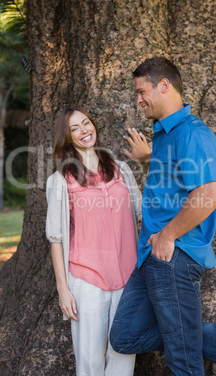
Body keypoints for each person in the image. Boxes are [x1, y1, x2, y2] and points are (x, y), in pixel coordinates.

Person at [110, 57, 216, 376]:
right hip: (149, 255)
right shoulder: (163, 136)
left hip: (173, 256)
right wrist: (150, 159)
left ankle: (209, 339)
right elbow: (175, 184)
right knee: (124, 336)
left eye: (141, 91)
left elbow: (212, 191)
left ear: (164, 86)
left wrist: (169, 235)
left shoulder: (191, 133)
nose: (138, 100)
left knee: (183, 361)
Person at [46, 107, 142, 376]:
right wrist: (63, 289)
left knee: (123, 356)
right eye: (74, 128)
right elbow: (56, 238)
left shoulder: (121, 169)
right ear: (67, 138)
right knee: (89, 361)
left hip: (127, 278)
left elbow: (142, 214)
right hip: (87, 282)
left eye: (86, 123)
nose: (84, 130)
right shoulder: (60, 181)